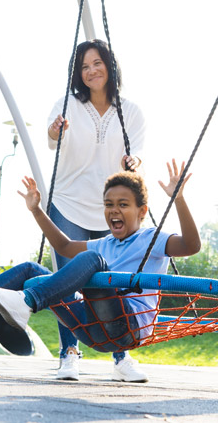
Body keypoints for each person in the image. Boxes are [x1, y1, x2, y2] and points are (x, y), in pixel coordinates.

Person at [0, 161, 198, 383]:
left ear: (142, 211)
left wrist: (180, 199)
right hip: (92, 327)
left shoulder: (153, 238)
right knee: (31, 269)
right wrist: (36, 209)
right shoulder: (106, 243)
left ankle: (27, 302)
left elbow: (191, 245)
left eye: (123, 205)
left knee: (93, 261)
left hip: (127, 327)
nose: (114, 211)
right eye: (109, 205)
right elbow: (63, 245)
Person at [46, 39, 146, 380]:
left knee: (112, 285)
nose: (91, 71)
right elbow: (51, 136)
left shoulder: (130, 111)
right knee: (66, 283)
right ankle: (69, 353)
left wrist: (134, 162)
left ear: (110, 65)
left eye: (97, 63)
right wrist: (55, 130)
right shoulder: (67, 105)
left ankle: (121, 358)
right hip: (69, 204)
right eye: (85, 66)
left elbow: (137, 154)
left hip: (110, 210)